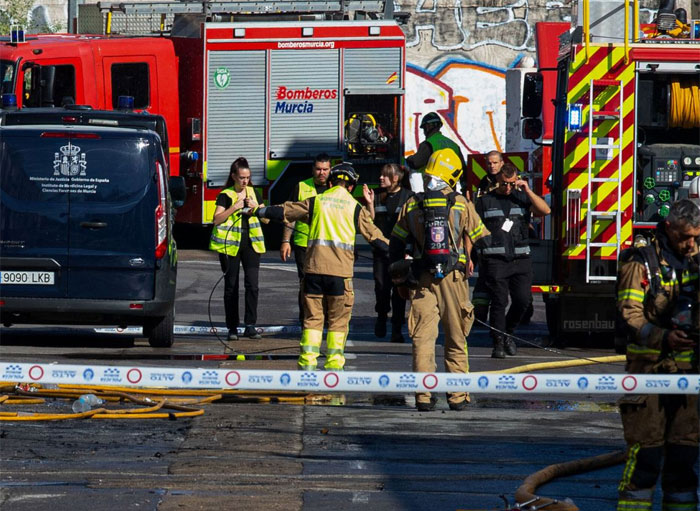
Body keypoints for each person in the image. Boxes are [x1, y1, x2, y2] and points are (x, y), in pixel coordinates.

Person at [248, 163, 389, 371]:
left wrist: (257, 211)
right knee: (338, 323)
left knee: (313, 320)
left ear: (330, 182)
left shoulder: (317, 201)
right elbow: (376, 239)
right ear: (351, 187)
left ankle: (307, 365)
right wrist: (401, 253)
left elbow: (285, 211)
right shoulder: (354, 207)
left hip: (313, 272)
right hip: (339, 276)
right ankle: (333, 367)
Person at [616, 199, 699, 511]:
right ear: (668, 229)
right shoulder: (641, 263)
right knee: (646, 459)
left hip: (688, 378)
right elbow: (630, 314)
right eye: (683, 237)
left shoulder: (697, 260)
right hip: (648, 373)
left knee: (683, 460)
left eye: (696, 237)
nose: (690, 244)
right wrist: (664, 336)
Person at [390, 148, 488, 411]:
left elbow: (396, 244)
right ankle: (457, 395)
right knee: (456, 338)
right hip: (454, 278)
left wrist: (400, 280)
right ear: (453, 175)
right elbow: (482, 239)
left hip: (421, 279)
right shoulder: (461, 203)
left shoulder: (412, 203)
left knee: (423, 339)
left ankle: (423, 396)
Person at [475, 163, 550, 359]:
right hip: (496, 260)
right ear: (496, 181)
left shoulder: (522, 198)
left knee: (522, 300)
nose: (507, 188)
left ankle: (508, 333)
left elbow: (545, 211)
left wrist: (527, 190)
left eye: (511, 184)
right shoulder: (485, 202)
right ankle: (498, 342)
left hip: (521, 259)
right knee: (499, 301)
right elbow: (471, 229)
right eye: (503, 184)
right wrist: (469, 256)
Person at [209, 157, 267, 341]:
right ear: (234, 176)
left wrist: (256, 207)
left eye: (248, 177)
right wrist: (234, 207)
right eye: (242, 177)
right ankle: (232, 327)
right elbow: (216, 219)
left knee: (252, 285)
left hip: (251, 244)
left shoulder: (254, 193)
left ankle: (250, 325)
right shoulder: (225, 194)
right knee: (231, 286)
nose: (245, 181)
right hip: (230, 246)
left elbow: (266, 219)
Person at [362, 163, 414, 343]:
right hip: (381, 252)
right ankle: (382, 317)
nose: (380, 178)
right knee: (382, 288)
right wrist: (369, 204)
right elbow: (368, 222)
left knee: (399, 293)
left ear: (396, 178)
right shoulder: (376, 196)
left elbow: (413, 225)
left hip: (401, 253)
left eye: (385, 176)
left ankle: (397, 330)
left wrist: (410, 251)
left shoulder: (409, 197)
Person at [280, 154, 331, 323]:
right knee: (306, 283)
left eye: (325, 169)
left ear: (330, 170)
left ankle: (324, 318)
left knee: (327, 283)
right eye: (318, 169)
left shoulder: (335, 189)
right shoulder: (301, 187)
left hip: (328, 245)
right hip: (304, 243)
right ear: (312, 169)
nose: (321, 173)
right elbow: (290, 216)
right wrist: (286, 241)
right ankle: (305, 320)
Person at [472, 150, 506, 323]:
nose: (491, 166)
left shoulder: (508, 180)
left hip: (507, 234)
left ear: (502, 163)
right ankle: (479, 311)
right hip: (487, 233)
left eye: (494, 163)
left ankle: (525, 310)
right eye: (489, 163)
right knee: (484, 274)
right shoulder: (484, 182)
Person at [405, 112, 466, 193]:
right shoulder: (454, 145)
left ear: (427, 127)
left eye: (424, 128)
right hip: (451, 190)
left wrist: (409, 159)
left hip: (432, 188)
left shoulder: (428, 144)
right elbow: (463, 170)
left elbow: (416, 163)